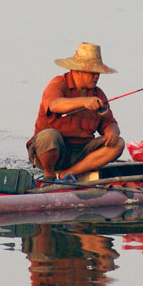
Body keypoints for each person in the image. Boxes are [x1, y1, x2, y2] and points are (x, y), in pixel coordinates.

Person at [27, 43, 124, 183]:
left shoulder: (98, 94)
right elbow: (54, 105)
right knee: (49, 136)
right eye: (92, 73)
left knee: (118, 144)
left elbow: (110, 122)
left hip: (81, 152)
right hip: (53, 150)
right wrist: (83, 102)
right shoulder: (58, 84)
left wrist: (112, 132)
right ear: (77, 70)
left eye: (98, 73)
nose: (96, 76)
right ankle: (49, 176)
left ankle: (67, 174)